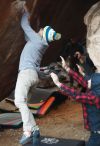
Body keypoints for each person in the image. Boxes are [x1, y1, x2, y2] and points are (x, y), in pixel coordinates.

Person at [14, 3, 61, 145]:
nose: (39, 29)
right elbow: (26, 36)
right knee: (23, 103)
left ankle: (30, 130)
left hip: (26, 75)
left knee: (19, 102)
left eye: (41, 29)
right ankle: (32, 131)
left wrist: (26, 11)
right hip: (33, 76)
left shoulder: (37, 40)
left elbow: (24, 26)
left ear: (43, 34)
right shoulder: (40, 44)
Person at [50, 56, 100, 146]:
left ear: (94, 85)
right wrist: (66, 68)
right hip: (95, 130)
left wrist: (58, 84)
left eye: (90, 81)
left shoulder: (95, 97)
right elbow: (83, 80)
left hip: (97, 134)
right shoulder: (96, 89)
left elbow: (76, 95)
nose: (87, 81)